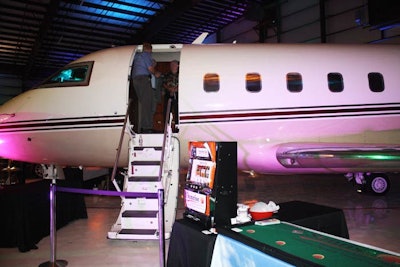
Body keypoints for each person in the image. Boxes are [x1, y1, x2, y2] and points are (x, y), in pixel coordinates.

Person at [131, 43, 157, 133]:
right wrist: (156, 73)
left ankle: (144, 125)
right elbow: (150, 69)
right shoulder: (146, 55)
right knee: (147, 104)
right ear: (150, 49)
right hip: (143, 79)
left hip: (136, 80)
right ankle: (146, 127)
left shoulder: (137, 56)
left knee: (144, 103)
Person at [162, 60, 179, 129]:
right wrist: (170, 89)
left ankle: (177, 126)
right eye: (171, 65)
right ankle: (166, 127)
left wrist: (176, 89)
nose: (172, 66)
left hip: (178, 95)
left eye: (174, 65)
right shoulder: (167, 74)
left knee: (177, 110)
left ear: (177, 66)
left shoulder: (181, 74)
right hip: (168, 94)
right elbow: (163, 84)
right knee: (167, 111)